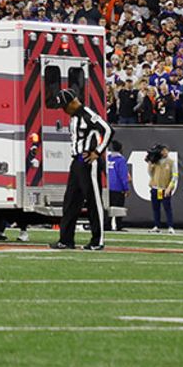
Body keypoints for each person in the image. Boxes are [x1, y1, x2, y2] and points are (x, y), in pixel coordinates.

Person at [50, 88, 112, 251]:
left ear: (73, 102)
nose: (64, 110)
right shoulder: (74, 117)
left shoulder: (87, 114)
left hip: (88, 161)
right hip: (77, 161)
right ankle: (66, 239)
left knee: (93, 201)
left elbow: (107, 130)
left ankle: (97, 240)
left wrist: (97, 152)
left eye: (65, 106)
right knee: (70, 201)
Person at [147, 144, 177, 234]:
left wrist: (170, 187)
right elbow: (150, 173)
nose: (164, 152)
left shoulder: (171, 162)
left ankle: (170, 226)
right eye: (163, 151)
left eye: (166, 150)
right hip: (156, 188)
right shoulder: (156, 161)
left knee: (167, 208)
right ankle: (156, 225)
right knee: (156, 208)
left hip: (165, 188)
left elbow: (175, 176)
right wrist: (150, 164)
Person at [106, 140, 130, 231]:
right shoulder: (121, 160)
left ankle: (107, 224)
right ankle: (118, 225)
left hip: (107, 186)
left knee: (108, 207)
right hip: (117, 187)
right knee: (118, 206)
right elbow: (123, 175)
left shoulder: (107, 158)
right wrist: (126, 188)